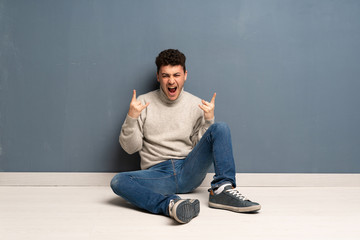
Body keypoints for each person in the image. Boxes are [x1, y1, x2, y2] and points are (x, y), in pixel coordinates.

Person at [110, 49, 261, 224]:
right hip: (158, 174)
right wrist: (132, 117)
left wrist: (208, 120)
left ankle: (221, 190)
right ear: (158, 76)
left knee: (221, 127)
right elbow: (131, 148)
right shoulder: (142, 103)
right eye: (165, 75)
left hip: (189, 169)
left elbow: (200, 146)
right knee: (118, 181)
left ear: (185, 75)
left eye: (176, 75)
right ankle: (171, 205)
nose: (171, 81)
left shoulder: (196, 104)